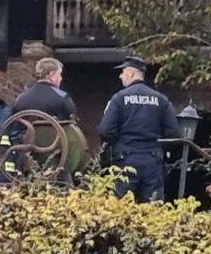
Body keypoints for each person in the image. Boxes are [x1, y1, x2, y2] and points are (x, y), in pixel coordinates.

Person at [97, 56, 179, 201]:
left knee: (121, 209)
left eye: (123, 72)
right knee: (153, 210)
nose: (120, 76)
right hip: (152, 161)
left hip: (125, 160)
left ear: (132, 73)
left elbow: (105, 130)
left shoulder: (119, 98)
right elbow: (173, 134)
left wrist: (118, 143)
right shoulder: (161, 99)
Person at [11, 57, 77, 123]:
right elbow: (73, 126)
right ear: (52, 74)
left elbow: (12, 125)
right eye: (59, 74)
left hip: (26, 133)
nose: (61, 78)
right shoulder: (63, 98)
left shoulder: (20, 99)